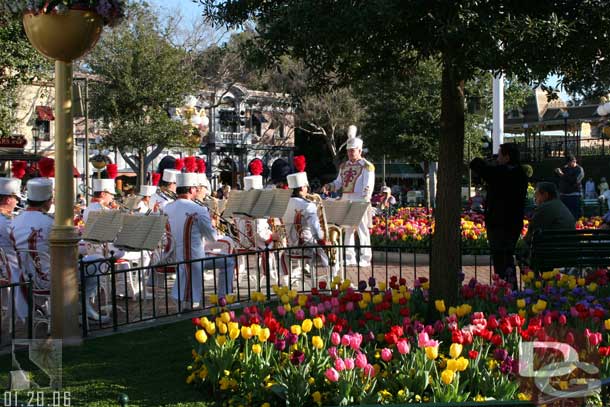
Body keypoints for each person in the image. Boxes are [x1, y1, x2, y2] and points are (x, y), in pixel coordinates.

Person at [164, 172, 235, 308]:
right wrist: (213, 225)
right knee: (229, 261)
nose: (197, 191)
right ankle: (223, 298)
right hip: (194, 258)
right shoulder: (198, 209)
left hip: (173, 257)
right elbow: (212, 238)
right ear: (191, 190)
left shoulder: (167, 208)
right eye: (196, 188)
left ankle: (186, 301)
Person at [470, 143, 528, 288]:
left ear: (507, 157)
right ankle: (511, 286)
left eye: (500, 155)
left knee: (500, 257)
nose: (497, 158)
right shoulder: (520, 173)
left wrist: (485, 161)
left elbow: (478, 166)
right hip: (514, 222)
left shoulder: (502, 173)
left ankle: (504, 287)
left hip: (499, 222)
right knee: (507, 256)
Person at [324, 125, 375, 267]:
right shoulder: (344, 166)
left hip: (360, 201)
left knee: (363, 230)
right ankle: (349, 257)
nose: (350, 153)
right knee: (348, 230)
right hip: (346, 200)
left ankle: (365, 258)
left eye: (353, 151)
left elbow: (368, 185)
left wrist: (365, 200)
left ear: (359, 151)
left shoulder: (367, 166)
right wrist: (330, 186)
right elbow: (339, 183)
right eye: (348, 151)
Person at [9, 178, 54, 320]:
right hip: (49, 279)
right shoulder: (50, 222)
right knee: (93, 264)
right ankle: (83, 311)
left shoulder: (15, 222)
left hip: (25, 278)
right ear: (48, 200)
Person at [282, 164, 329, 280]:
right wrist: (324, 240)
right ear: (302, 188)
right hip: (306, 246)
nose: (307, 189)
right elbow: (317, 234)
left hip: (289, 246)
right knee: (334, 246)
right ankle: (332, 277)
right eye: (306, 187)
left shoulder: (283, 204)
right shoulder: (308, 205)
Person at [555, 154, 584, 219]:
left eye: (569, 163)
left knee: (575, 214)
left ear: (574, 161)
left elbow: (574, 181)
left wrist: (561, 174)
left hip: (574, 196)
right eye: (567, 163)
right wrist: (557, 172)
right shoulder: (566, 168)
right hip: (563, 195)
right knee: (564, 215)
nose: (568, 165)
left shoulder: (579, 169)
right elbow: (558, 177)